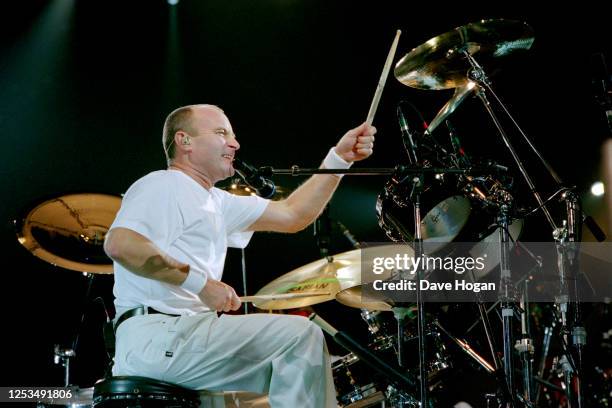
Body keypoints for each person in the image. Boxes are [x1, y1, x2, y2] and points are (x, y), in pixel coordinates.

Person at [103, 104, 376, 407]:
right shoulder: (164, 184)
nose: (235, 143)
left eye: (233, 135)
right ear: (185, 141)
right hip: (159, 337)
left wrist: (338, 159)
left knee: (267, 381)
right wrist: (202, 285)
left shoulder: (216, 201)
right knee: (299, 338)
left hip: (181, 338)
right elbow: (121, 245)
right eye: (221, 133)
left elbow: (293, 214)